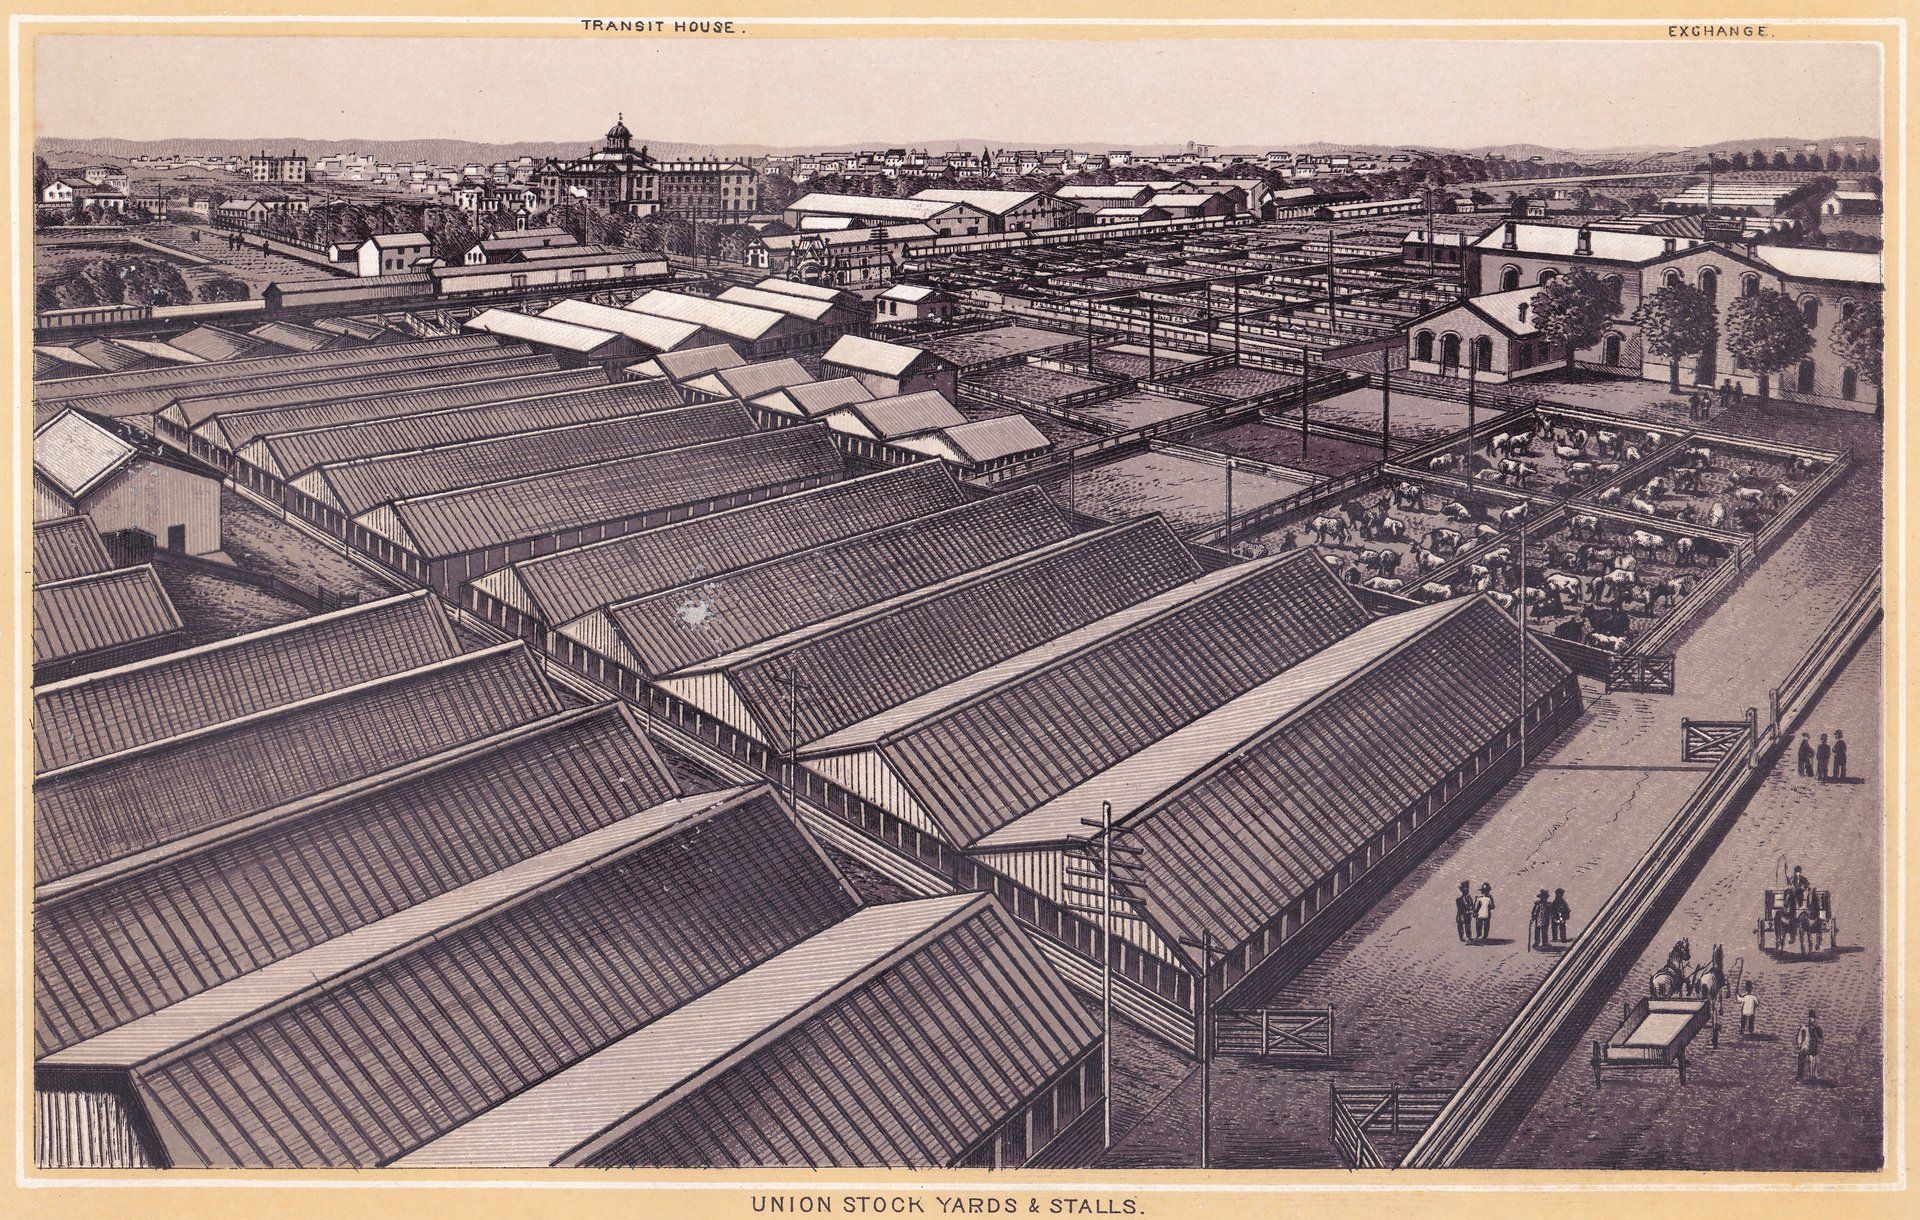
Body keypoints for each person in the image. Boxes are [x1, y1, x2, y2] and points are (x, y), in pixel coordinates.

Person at [1795, 1009, 1824, 1082]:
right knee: (1806, 1060)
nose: (1812, 1019)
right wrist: (1799, 1043)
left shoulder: (1817, 1028)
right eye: (1811, 1018)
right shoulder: (1805, 1027)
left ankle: (1814, 1075)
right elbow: (1799, 1036)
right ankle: (1803, 1075)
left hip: (1814, 1045)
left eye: (1814, 1018)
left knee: (1814, 1060)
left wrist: (1819, 1041)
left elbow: (1821, 1038)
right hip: (1806, 1045)